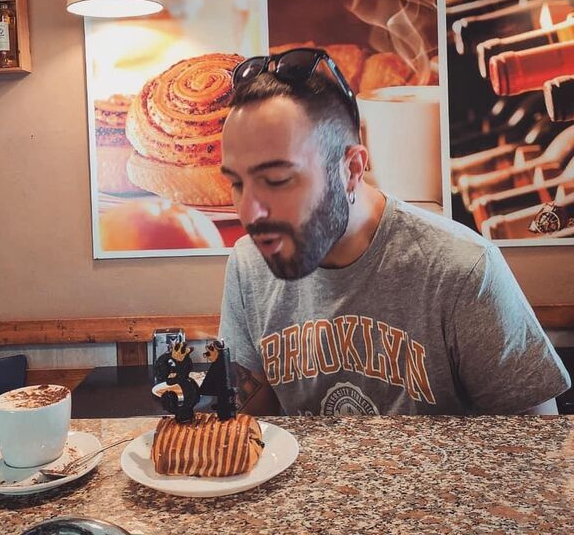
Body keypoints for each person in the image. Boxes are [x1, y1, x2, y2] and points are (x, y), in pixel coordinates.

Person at [218, 47, 571, 417]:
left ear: (352, 169)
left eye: (277, 180)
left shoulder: (462, 270)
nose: (249, 212)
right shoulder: (248, 265)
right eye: (237, 183)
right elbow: (247, 426)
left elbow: (538, 443)